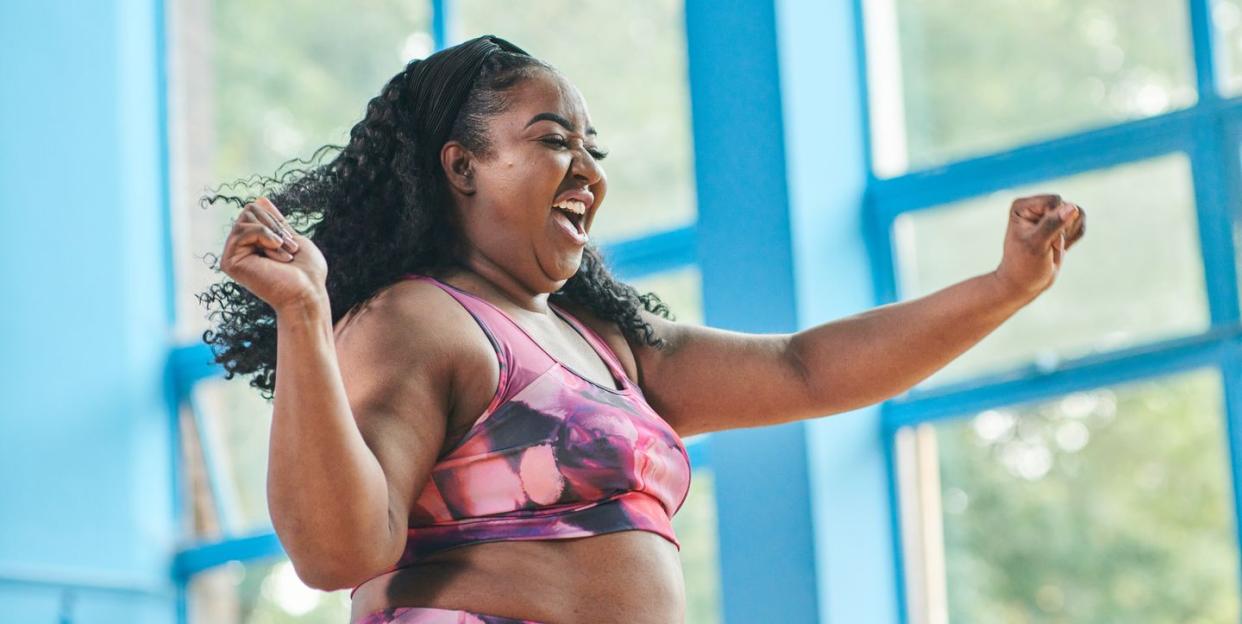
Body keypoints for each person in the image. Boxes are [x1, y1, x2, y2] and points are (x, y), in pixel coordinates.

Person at [200, 34, 1085, 624]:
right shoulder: (418, 321)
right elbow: (338, 549)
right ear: (462, 167)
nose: (586, 171)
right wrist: (305, 317)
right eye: (554, 142)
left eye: (595, 150)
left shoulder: (603, 341)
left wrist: (1004, 287)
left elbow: (806, 368)